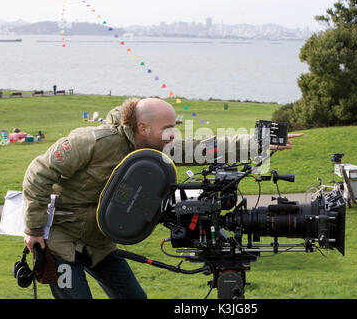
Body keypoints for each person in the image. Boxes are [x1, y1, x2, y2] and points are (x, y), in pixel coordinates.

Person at [22, 97, 302, 299]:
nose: (173, 134)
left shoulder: (158, 147)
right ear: (143, 127)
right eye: (167, 128)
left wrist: (260, 145)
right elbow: (38, 172)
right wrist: (34, 229)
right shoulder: (92, 142)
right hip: (59, 243)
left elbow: (204, 149)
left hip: (100, 244)